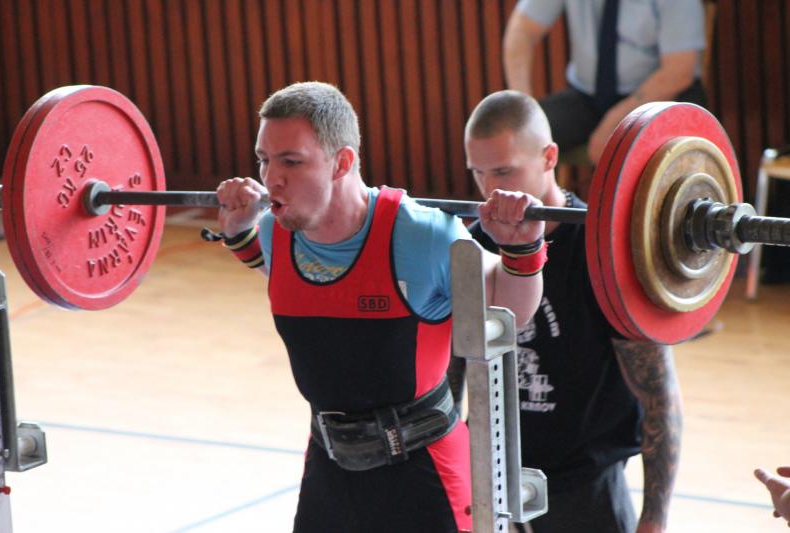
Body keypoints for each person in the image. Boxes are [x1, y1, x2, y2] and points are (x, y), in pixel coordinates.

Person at [216, 81, 546, 533]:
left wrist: (521, 249)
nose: (271, 178)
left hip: (425, 478)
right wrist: (240, 236)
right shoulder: (276, 231)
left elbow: (510, 311)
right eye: (264, 159)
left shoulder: (424, 236)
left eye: (291, 161)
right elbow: (292, 282)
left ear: (342, 162)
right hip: (331, 471)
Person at [461, 90, 683, 533]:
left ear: (549, 157)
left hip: (586, 486)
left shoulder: (602, 255)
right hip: (492, 479)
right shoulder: (473, 247)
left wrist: (654, 519)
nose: (489, 190)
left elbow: (659, 396)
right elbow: (448, 380)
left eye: (503, 171)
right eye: (477, 173)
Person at [503, 0, 707, 164]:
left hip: (661, 98)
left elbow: (679, 71)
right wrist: (525, 106)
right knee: (520, 138)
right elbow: (522, 30)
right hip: (587, 97)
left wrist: (618, 122)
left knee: (671, 153)